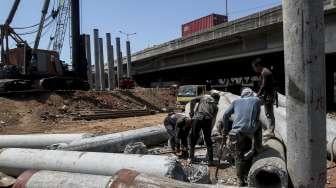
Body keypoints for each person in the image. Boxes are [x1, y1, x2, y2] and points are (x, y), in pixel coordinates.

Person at [222, 88, 262, 186]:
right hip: (250, 130)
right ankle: (258, 147)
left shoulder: (235, 101)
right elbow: (257, 116)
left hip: (236, 132)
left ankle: (240, 180)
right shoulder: (256, 100)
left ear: (242, 95)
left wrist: (225, 131)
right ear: (251, 94)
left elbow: (225, 115)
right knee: (259, 123)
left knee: (238, 155)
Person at [189, 92, 220, 166]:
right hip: (208, 120)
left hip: (198, 118)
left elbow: (192, 100)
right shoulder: (216, 106)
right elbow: (213, 119)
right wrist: (210, 130)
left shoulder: (204, 97)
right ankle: (210, 161)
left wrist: (191, 111)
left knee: (193, 137)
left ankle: (191, 158)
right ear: (217, 99)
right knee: (208, 140)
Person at [252, 58, 276, 136]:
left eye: (254, 67)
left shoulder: (265, 72)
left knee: (269, 113)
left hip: (268, 96)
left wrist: (257, 95)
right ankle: (269, 129)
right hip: (267, 95)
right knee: (267, 112)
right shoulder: (264, 71)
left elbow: (263, 86)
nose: (254, 69)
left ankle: (271, 130)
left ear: (258, 66)